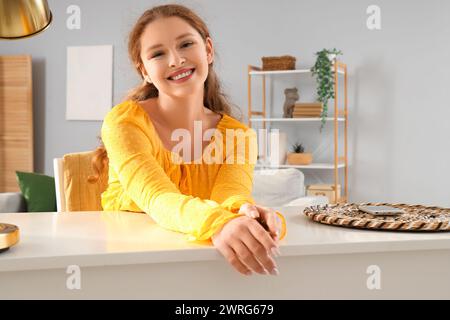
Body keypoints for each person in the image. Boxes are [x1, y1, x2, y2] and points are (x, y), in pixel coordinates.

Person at [89, 4, 286, 276]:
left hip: (203, 263)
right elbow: (158, 197)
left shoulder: (238, 136)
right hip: (128, 265)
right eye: (158, 53)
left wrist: (247, 213)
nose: (175, 60)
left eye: (185, 44)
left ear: (208, 50)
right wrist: (218, 223)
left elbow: (230, 195)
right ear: (144, 70)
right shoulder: (124, 123)